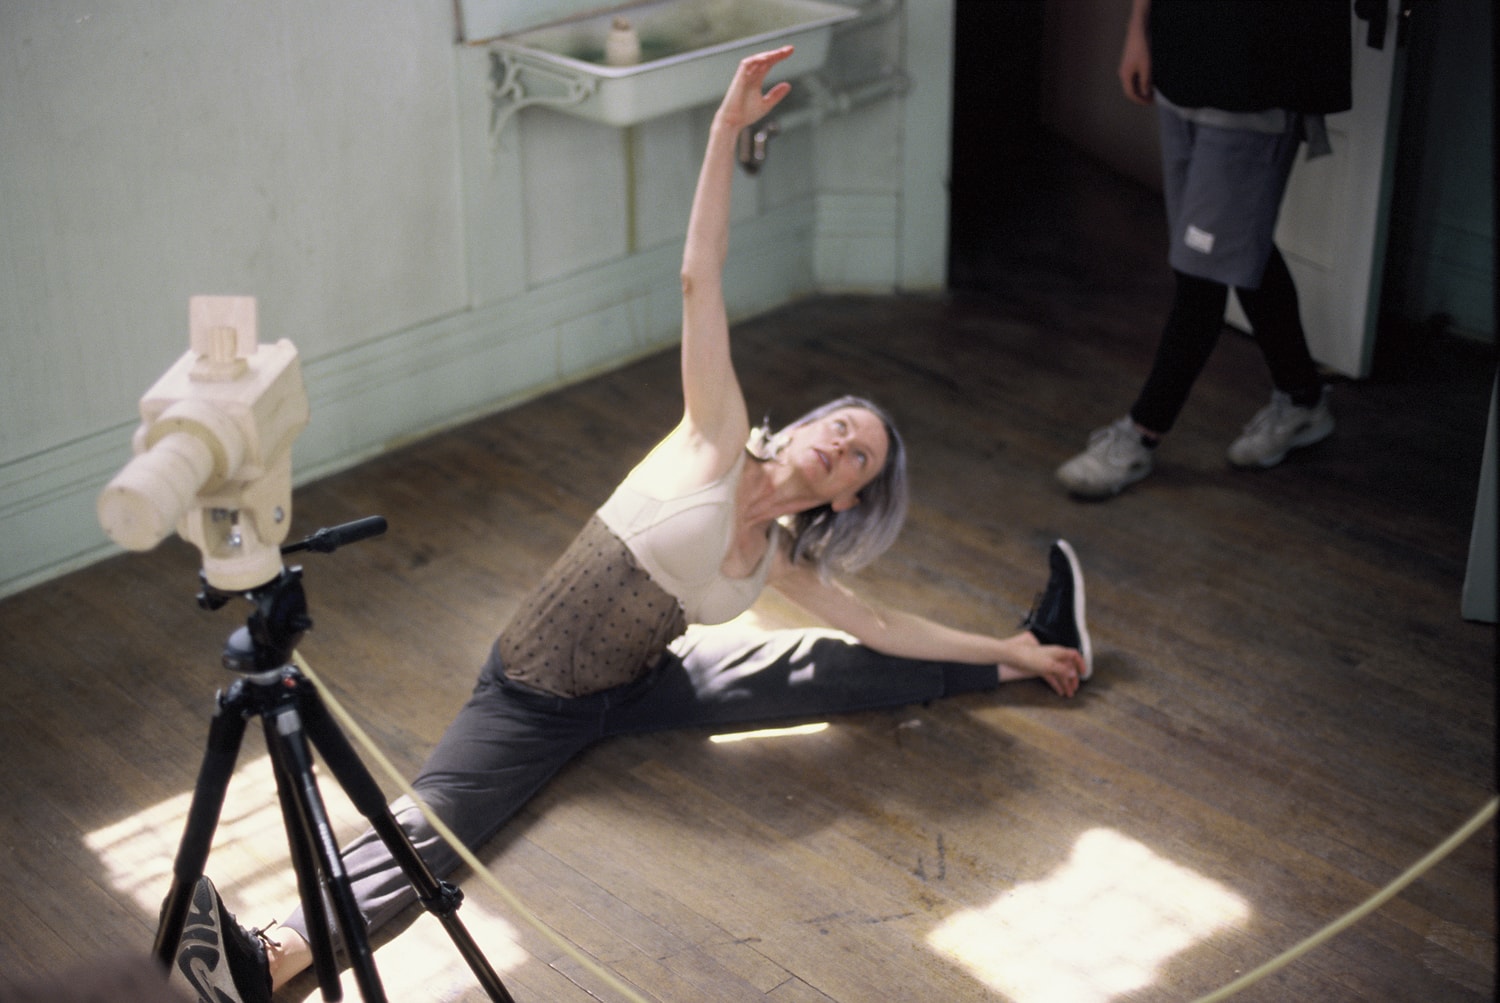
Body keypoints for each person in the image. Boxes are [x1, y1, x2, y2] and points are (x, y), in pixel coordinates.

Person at [171, 47, 1091, 1003]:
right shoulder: (716, 434)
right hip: (533, 695)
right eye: (840, 426)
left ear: (849, 498)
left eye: (859, 457)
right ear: (805, 424)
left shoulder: (777, 557)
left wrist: (1007, 652)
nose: (840, 446)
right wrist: (724, 132)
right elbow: (700, 276)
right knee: (438, 824)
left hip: (643, 685)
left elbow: (887, 625)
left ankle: (1027, 653)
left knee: (835, 661)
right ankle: (268, 958)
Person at [1056, 0, 1352, 498]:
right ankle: (1303, 400)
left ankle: (1141, 434)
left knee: (1202, 276)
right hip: (1182, 59)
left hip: (1256, 79)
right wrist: (1138, 28)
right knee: (1235, 248)